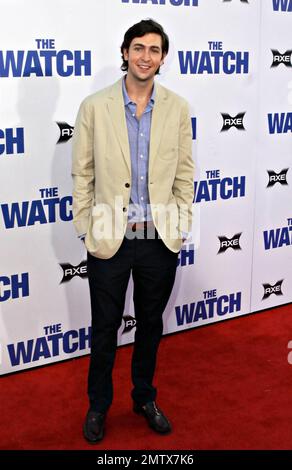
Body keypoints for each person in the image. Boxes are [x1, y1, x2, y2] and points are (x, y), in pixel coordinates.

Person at [72, 18, 194, 443]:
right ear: (125, 52)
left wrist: (181, 222)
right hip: (110, 236)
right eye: (138, 47)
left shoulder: (177, 108)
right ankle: (98, 406)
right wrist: (85, 224)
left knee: (150, 325)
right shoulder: (94, 107)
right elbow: (82, 173)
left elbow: (184, 174)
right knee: (104, 327)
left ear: (163, 58)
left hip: (158, 239)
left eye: (154, 50)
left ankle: (144, 397)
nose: (146, 56)